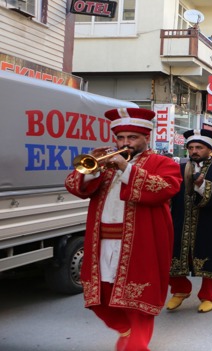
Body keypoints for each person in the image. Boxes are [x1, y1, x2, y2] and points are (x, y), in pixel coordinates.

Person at [64, 107, 182, 350]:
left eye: (132, 138)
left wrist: (126, 169)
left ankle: (136, 345)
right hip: (102, 241)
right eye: (121, 137)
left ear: (146, 138)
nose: (125, 143)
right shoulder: (104, 160)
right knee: (100, 296)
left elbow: (166, 188)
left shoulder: (163, 162)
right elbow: (73, 185)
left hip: (143, 241)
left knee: (138, 298)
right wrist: (93, 171)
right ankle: (123, 329)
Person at [168, 129, 212, 313]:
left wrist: (202, 185)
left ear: (209, 149)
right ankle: (180, 290)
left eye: (199, 147)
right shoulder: (179, 169)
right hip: (181, 221)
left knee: (210, 258)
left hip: (211, 223)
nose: (194, 151)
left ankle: (209, 296)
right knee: (173, 258)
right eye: (191, 148)